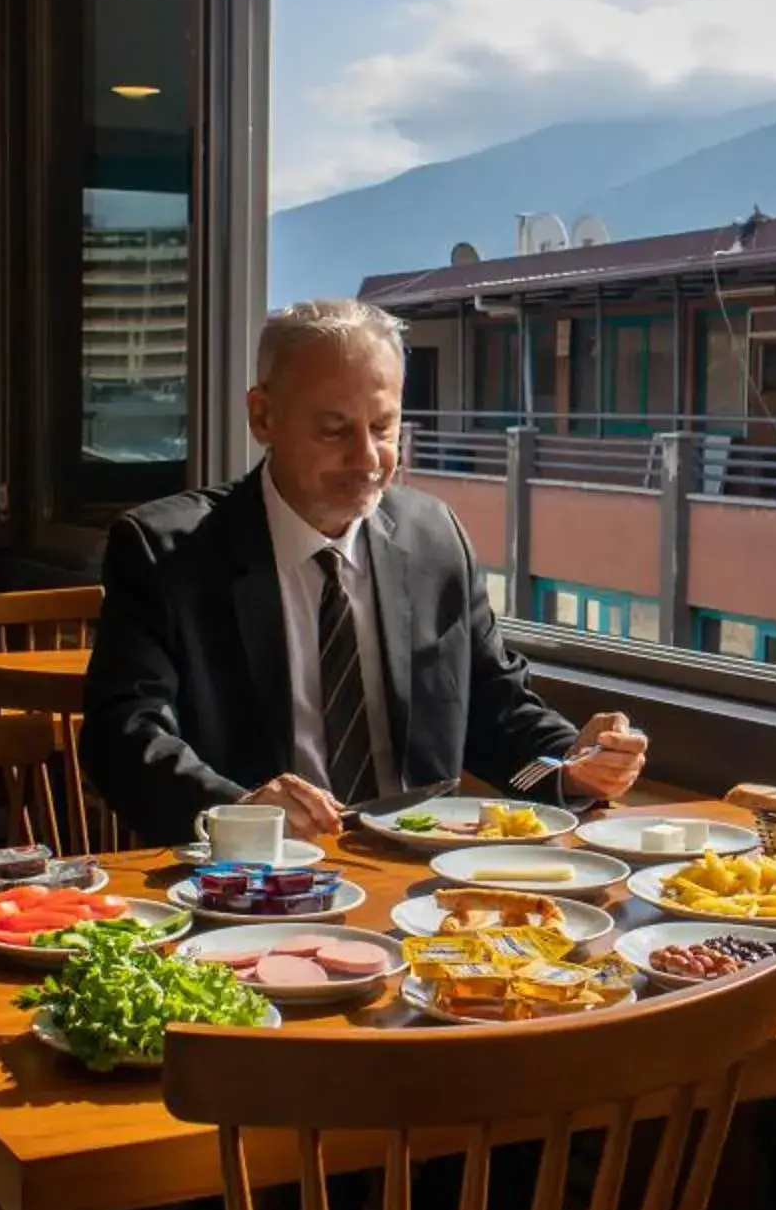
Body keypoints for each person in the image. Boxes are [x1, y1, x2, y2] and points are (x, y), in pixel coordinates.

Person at [83, 298, 648, 844]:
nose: (368, 458)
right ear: (263, 416)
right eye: (334, 430)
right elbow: (124, 739)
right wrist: (236, 811)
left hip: (415, 876)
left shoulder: (434, 538)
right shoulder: (167, 552)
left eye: (383, 427)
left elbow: (493, 708)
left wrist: (573, 763)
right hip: (251, 881)